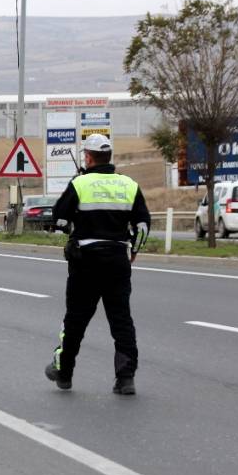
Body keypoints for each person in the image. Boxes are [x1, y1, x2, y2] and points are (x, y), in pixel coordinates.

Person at [44, 133, 150, 395]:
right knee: (121, 321)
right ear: (109, 157)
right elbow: (143, 225)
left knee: (76, 321)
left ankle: (64, 373)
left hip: (85, 262)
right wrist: (134, 250)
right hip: (117, 260)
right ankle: (126, 379)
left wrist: (72, 226)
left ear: (89, 157)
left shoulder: (80, 183)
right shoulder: (129, 185)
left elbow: (58, 219)